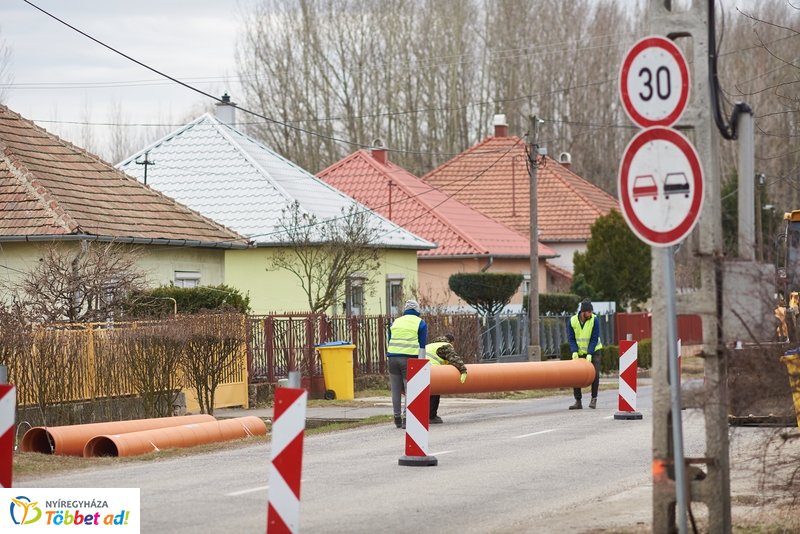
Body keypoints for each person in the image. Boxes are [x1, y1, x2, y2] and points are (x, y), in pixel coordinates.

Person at [386, 299, 427, 428]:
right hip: (409, 359)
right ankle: (406, 419)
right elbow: (422, 346)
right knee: (410, 390)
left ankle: (396, 417)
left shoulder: (395, 322)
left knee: (396, 390)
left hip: (392, 358)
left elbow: (390, 340)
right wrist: (422, 365)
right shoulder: (420, 323)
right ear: (417, 310)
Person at [568, 299, 603, 410]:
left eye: (591, 312)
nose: (591, 314)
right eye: (589, 312)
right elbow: (571, 338)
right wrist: (574, 351)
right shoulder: (572, 321)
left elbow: (594, 339)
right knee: (575, 376)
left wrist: (590, 353)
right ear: (583, 312)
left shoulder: (594, 320)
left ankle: (594, 398)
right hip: (579, 352)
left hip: (594, 351)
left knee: (595, 374)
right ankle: (578, 401)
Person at [425, 333, 468, 424]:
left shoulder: (430, 345)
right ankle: (431, 417)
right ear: (451, 342)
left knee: (423, 394)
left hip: (419, 370)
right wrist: (463, 370)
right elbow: (455, 359)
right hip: (432, 370)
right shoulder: (446, 345)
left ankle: (421, 415)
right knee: (435, 392)